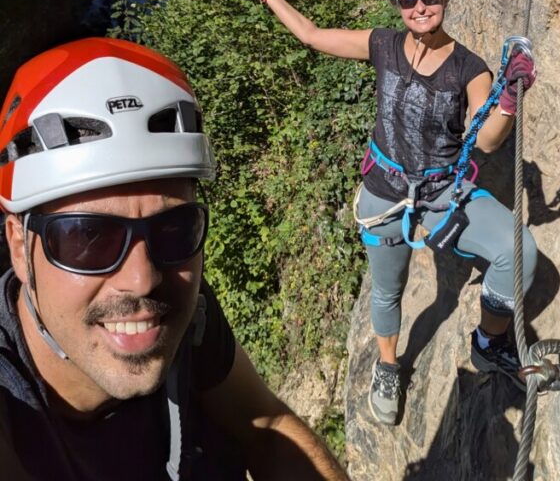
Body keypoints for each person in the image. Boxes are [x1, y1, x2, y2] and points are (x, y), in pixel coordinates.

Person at [0, 36, 350, 480]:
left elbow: (265, 426)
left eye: (173, 228)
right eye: (89, 238)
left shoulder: (186, 315)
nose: (143, 278)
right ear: (19, 246)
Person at [236, 0, 538, 426]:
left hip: (441, 190)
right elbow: (311, 36)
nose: (420, 7)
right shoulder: (383, 45)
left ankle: (487, 342)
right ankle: (388, 366)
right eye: (408, 0)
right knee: (387, 290)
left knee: (518, 251)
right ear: (398, 6)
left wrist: (510, 97)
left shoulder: (469, 69)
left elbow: (488, 140)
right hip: (385, 189)